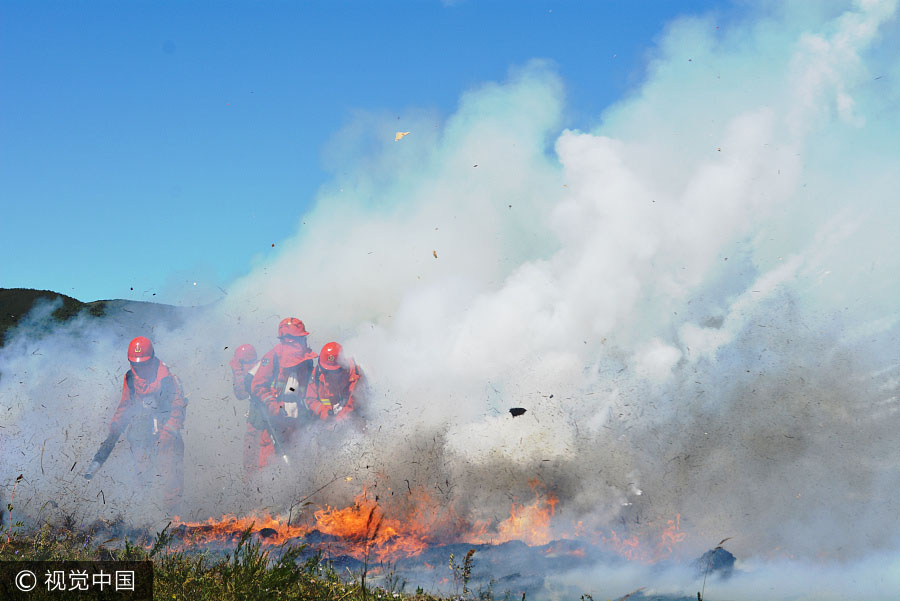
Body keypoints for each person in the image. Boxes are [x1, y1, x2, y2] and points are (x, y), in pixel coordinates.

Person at [107, 336, 187, 512]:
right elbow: (126, 404)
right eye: (136, 365)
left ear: (152, 359)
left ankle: (171, 518)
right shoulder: (129, 378)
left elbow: (178, 406)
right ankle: (144, 516)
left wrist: (169, 433)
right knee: (142, 474)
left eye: (143, 364)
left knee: (170, 475)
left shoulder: (167, 377)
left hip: (166, 434)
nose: (139, 368)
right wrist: (115, 426)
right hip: (140, 435)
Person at [250, 318, 317, 459]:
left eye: (303, 338)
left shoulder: (307, 360)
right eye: (299, 338)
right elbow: (257, 385)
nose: (303, 341)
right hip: (274, 421)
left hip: (295, 421)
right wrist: (272, 404)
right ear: (288, 339)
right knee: (270, 464)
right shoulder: (273, 357)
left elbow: (303, 388)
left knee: (298, 461)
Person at [305, 341, 365, 423]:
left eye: (333, 371)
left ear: (342, 367)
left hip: (350, 417)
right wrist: (325, 413)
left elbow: (354, 402)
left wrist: (339, 418)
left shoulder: (354, 374)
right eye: (325, 371)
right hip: (326, 417)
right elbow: (310, 399)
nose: (328, 375)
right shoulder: (316, 374)